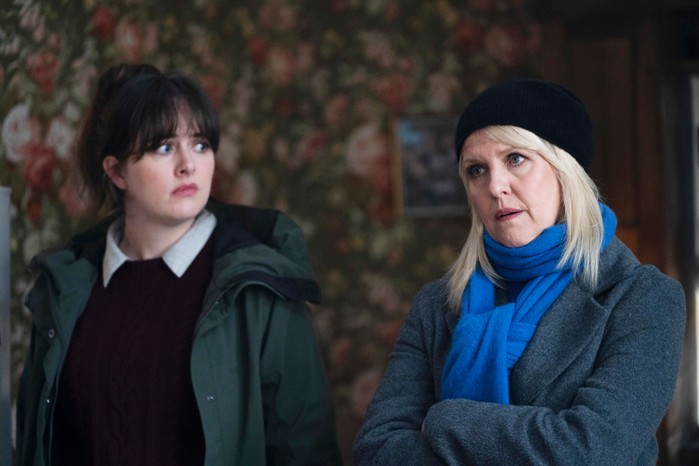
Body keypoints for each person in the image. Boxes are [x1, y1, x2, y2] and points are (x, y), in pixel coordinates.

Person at [15, 63, 341, 466]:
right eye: (164, 147)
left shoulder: (260, 289)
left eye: (201, 144)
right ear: (116, 171)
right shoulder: (62, 289)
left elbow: (307, 453)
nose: (189, 165)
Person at [353, 78, 686, 465]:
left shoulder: (642, 296)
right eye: (476, 170)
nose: (495, 186)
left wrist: (445, 420)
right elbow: (377, 450)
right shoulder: (437, 304)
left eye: (515, 159)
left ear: (565, 171)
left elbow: (592, 452)